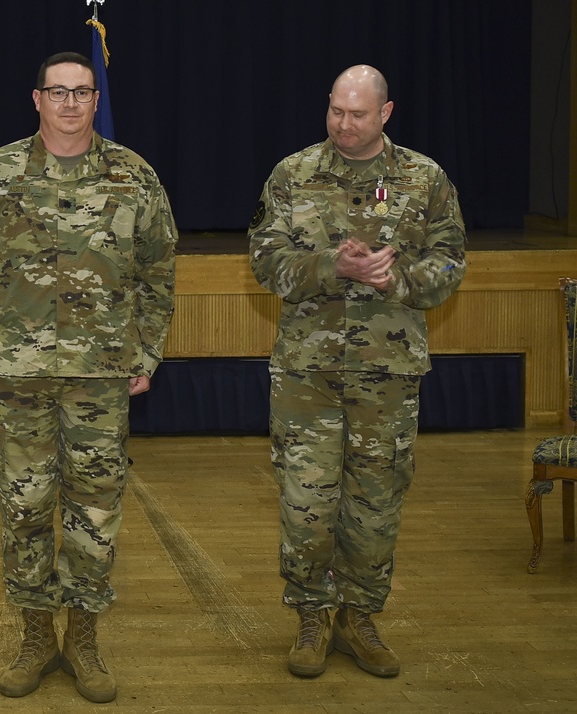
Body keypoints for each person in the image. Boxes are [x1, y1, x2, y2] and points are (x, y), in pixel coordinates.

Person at [0, 52, 178, 703]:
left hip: (101, 381)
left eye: (81, 92)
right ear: (37, 99)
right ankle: (36, 636)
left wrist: (148, 351)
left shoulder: (133, 177)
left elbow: (160, 271)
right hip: (17, 379)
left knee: (95, 511)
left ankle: (84, 638)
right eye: (58, 92)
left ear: (95, 100)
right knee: (23, 510)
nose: (70, 103)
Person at [248, 65, 466, 678]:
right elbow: (265, 261)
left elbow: (450, 263)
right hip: (307, 375)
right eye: (337, 112)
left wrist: (396, 278)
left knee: (375, 506)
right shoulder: (292, 175)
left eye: (359, 115)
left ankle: (360, 617)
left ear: (386, 114)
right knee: (306, 505)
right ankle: (312, 618)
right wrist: (330, 266)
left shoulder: (424, 180)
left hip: (387, 377)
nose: (345, 125)